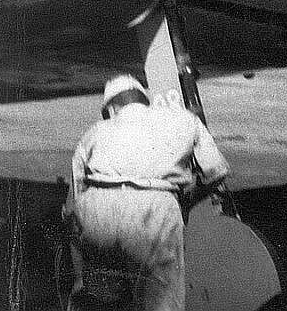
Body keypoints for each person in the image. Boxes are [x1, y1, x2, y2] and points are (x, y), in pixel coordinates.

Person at [62, 74, 230, 310]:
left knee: (100, 299)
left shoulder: (94, 131)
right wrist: (187, 200)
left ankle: (84, 291)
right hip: (154, 210)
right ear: (144, 100)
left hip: (97, 209)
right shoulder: (185, 120)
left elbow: (73, 202)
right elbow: (217, 171)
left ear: (111, 108)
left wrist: (80, 272)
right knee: (160, 302)